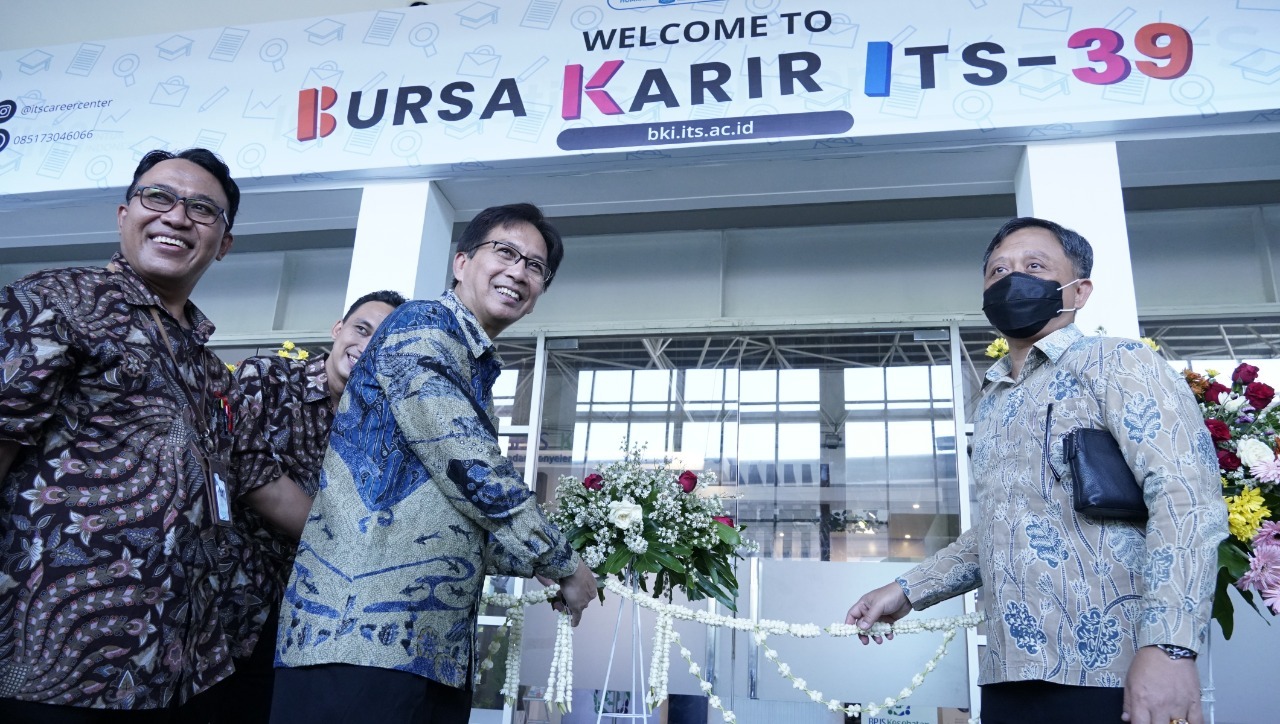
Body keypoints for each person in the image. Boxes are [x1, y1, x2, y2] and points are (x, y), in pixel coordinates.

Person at [844, 217, 1227, 724]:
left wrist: (1170, 646)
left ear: (1079, 291)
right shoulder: (993, 401)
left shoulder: (1118, 362)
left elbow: (1185, 498)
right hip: (1011, 671)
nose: (1012, 280)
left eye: (1034, 266)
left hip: (1112, 668)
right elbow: (999, 529)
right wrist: (907, 589)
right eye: (998, 271)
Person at [0, 149, 310, 722]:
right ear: (125, 214)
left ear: (223, 243)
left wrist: (385, 544)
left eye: (201, 209)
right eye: (158, 197)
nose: (176, 216)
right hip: (47, 662)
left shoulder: (213, 374)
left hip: (173, 667)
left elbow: (262, 484)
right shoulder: (57, 300)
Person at [271, 203, 598, 724]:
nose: (519, 271)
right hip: (357, 643)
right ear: (461, 262)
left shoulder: (471, 363)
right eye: (505, 252)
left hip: (428, 650)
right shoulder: (422, 328)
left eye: (536, 266)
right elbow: (470, 466)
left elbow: (449, 520)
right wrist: (563, 563)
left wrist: (547, 563)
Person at [215, 290, 406, 723]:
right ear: (338, 329)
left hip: (302, 620)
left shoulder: (380, 432)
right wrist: (345, 539)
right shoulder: (268, 378)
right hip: (224, 594)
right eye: (361, 329)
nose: (367, 346)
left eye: (383, 342)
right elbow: (241, 467)